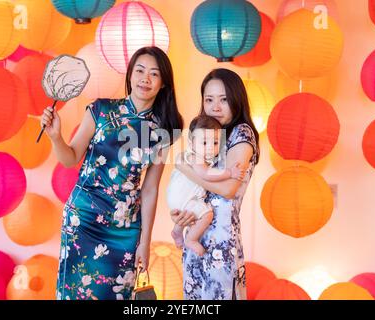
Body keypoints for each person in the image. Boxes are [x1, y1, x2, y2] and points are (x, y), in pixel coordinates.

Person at [41, 46, 183, 300]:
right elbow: (70, 158)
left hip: (125, 229)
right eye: (139, 71)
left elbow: (150, 189)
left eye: (154, 74)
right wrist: (55, 137)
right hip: (83, 219)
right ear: (129, 75)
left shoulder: (163, 130)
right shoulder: (101, 110)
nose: (145, 79)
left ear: (163, 84)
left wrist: (144, 241)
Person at [171, 68, 260, 300]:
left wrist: (185, 168)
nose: (215, 107)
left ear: (236, 100)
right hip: (197, 238)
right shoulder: (210, 136)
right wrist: (183, 215)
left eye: (224, 99)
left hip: (221, 243)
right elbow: (197, 189)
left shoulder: (242, 133)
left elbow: (228, 189)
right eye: (209, 100)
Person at [167, 114, 246, 256]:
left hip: (180, 199)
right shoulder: (195, 157)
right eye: (204, 143)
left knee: (190, 211)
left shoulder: (194, 156)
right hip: (183, 198)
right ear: (191, 143)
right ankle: (191, 239)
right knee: (207, 215)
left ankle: (177, 231)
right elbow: (205, 174)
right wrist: (229, 173)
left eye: (215, 143)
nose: (210, 148)